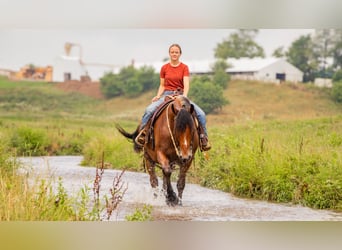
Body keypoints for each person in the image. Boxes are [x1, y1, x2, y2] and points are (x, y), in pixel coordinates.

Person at [135, 43, 211, 151]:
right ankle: (143, 133)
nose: (174, 54)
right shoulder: (164, 68)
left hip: (180, 95)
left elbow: (186, 84)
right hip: (166, 95)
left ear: (180, 54)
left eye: (176, 52)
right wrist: (158, 96)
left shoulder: (184, 67)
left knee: (201, 114)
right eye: (172, 52)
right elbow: (162, 85)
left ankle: (203, 139)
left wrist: (183, 97)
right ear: (169, 54)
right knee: (149, 110)